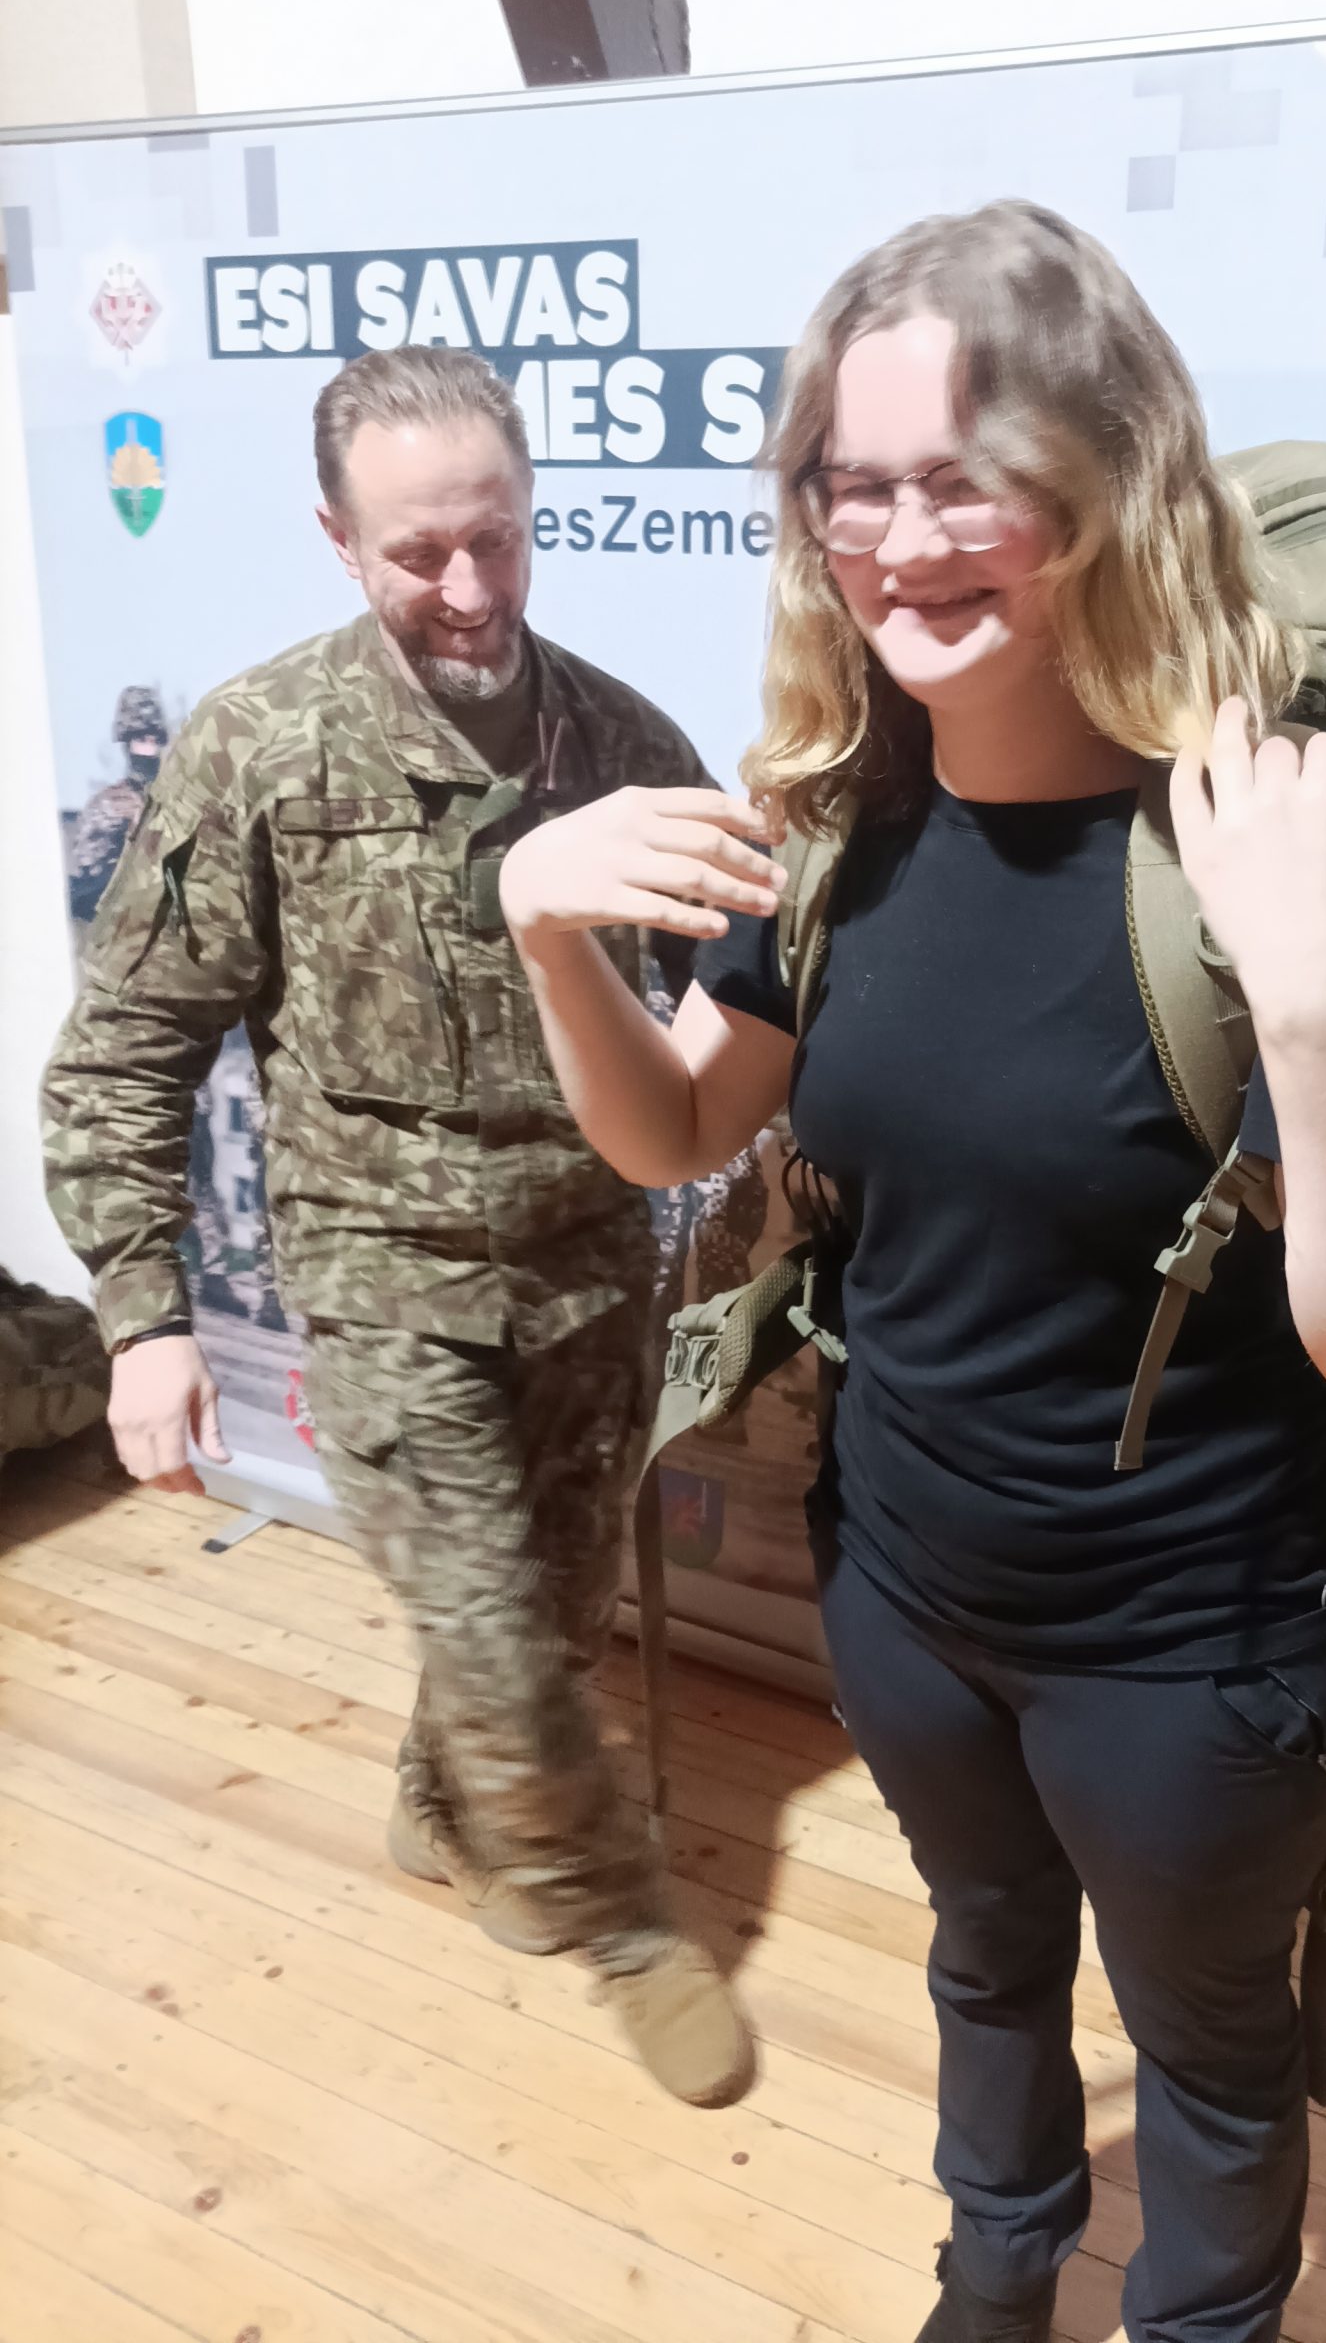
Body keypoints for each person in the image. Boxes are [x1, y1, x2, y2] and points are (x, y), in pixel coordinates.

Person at [500, 203, 1326, 2341]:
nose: (896, 540)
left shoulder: (1274, 837)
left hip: (1192, 1644)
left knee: (1208, 2053)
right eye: (849, 485)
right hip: (903, 1583)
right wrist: (547, 933)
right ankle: (997, 2268)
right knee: (983, 1950)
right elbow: (678, 1129)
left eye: (964, 480)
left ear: (1104, 481)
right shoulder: (841, 820)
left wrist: (1318, 999)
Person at [41, 345, 754, 2109]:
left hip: (588, 1263)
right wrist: (143, 1318)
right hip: (378, 1274)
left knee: (554, 1614)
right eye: (419, 552)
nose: (469, 588)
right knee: (490, 1623)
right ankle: (616, 1918)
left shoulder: (622, 747)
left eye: (495, 538)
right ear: (338, 540)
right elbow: (126, 1047)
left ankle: (450, 1807)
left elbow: (739, 988)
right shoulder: (260, 748)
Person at [68, 682, 169, 925]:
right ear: (127, 743)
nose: (150, 750)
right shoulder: (107, 806)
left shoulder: (175, 801)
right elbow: (85, 891)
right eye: (142, 739)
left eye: (155, 740)